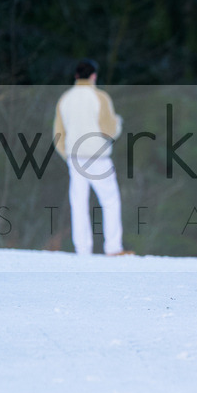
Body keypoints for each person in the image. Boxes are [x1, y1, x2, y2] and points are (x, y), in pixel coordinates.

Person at [53, 59, 129, 256]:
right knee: (110, 200)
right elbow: (109, 129)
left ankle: (82, 249)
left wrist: (68, 155)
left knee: (78, 202)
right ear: (94, 75)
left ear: (76, 76)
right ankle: (113, 247)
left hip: (75, 157)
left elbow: (58, 134)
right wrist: (118, 122)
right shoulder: (100, 97)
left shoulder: (65, 99)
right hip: (98, 157)